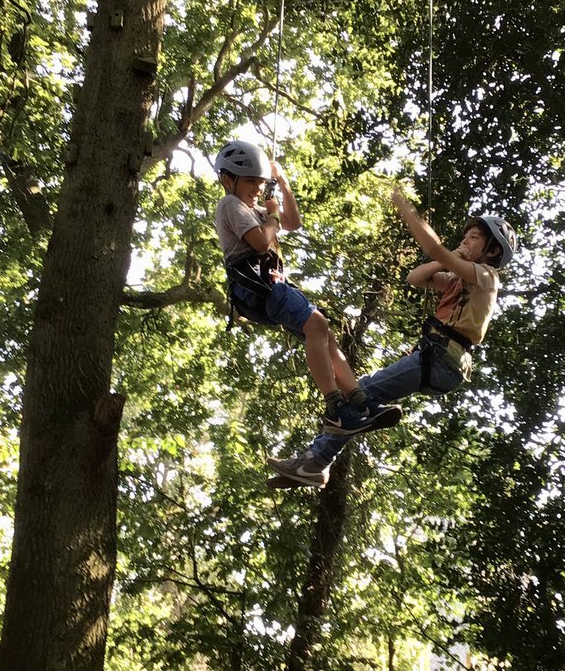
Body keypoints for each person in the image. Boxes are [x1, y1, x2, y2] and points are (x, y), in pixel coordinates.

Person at [267, 183, 517, 487]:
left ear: (492, 251)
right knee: (359, 394)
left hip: (443, 359)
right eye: (465, 236)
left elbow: (434, 248)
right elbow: (416, 278)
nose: (465, 241)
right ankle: (316, 462)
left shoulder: (487, 277)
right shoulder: (457, 278)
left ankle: (317, 462)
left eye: (474, 238)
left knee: (361, 392)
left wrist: (407, 211)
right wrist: (449, 257)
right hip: (436, 357)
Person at [213, 139, 399, 436]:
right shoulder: (231, 204)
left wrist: (283, 183)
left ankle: (361, 403)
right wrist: (272, 214)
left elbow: (294, 222)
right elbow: (261, 243)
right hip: (258, 287)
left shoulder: (254, 208)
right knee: (316, 325)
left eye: (261, 183)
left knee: (325, 335)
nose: (257, 189)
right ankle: (336, 408)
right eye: (251, 181)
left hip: (270, 286)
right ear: (227, 180)